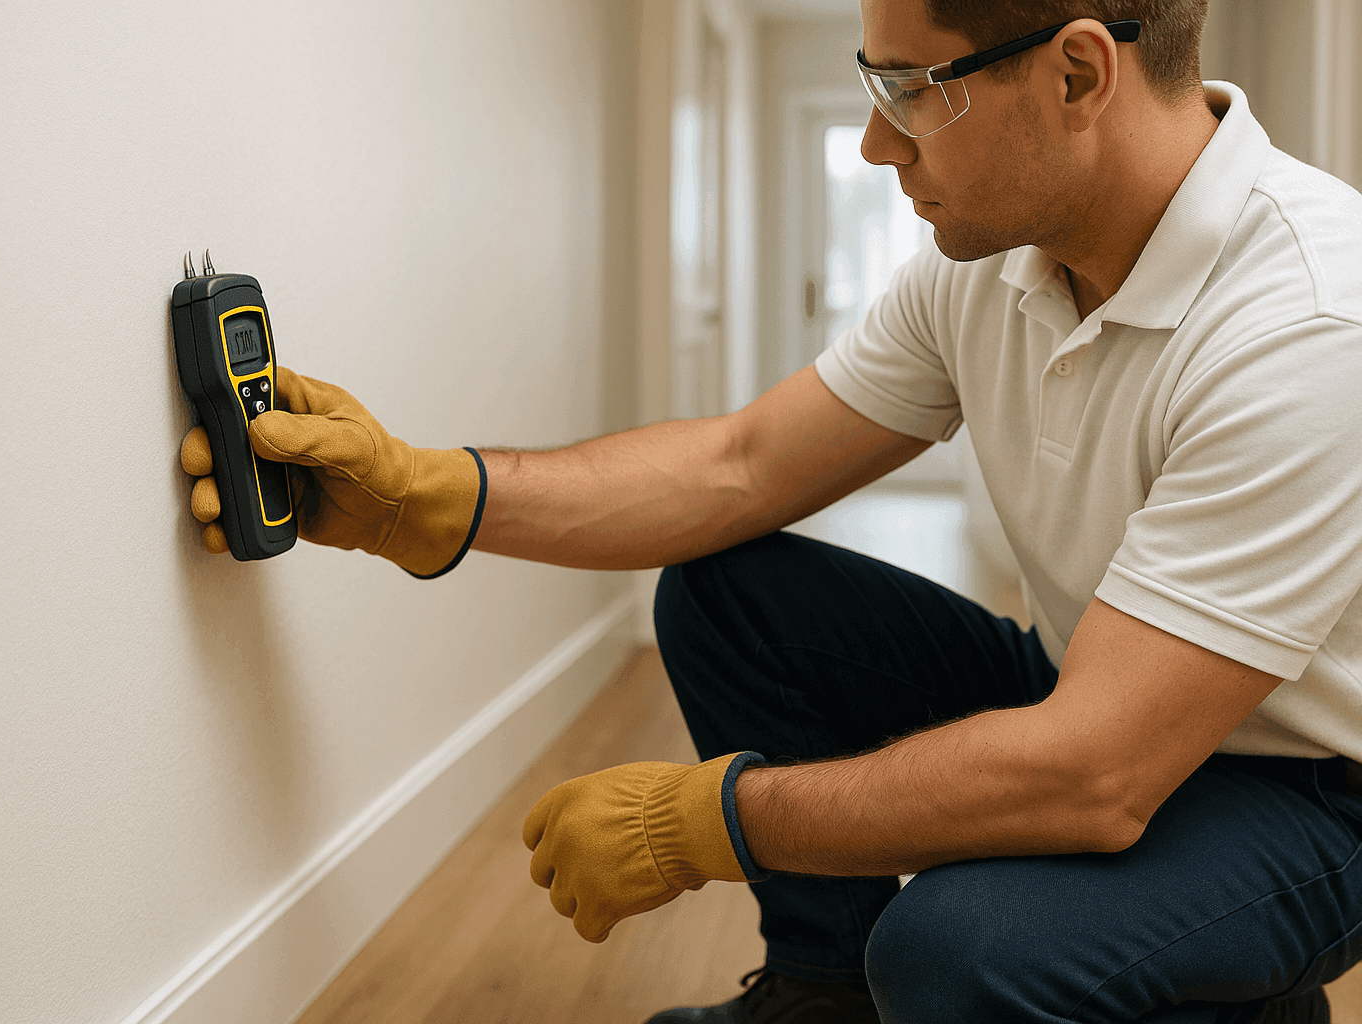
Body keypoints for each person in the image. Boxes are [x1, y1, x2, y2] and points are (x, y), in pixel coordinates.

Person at [179, 0, 1362, 1019]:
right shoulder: (982, 270)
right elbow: (738, 465)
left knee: (960, 951)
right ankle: (823, 1002)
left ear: (1076, 74)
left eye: (909, 89)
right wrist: (428, 496)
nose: (872, 141)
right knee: (730, 589)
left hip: (1304, 791)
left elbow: (1097, 775)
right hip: (1094, 692)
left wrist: (708, 822)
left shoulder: (1309, 323)